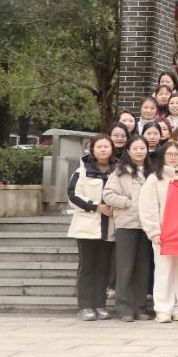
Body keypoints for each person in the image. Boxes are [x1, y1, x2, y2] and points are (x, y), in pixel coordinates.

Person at [138, 141, 178, 323]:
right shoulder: (155, 178)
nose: (173, 157)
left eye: (176, 154)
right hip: (164, 233)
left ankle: (177, 306)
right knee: (164, 271)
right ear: (162, 157)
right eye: (169, 154)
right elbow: (148, 207)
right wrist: (154, 231)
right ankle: (162, 308)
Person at [102, 136, 155, 322]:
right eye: (136, 148)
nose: (139, 151)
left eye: (142, 148)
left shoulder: (152, 171)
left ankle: (140, 307)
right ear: (129, 151)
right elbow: (108, 194)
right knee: (125, 267)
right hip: (126, 224)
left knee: (143, 268)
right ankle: (124, 308)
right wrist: (128, 203)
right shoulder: (120, 171)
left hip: (147, 225)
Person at [68, 134, 117, 321]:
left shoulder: (118, 170)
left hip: (109, 226)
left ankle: (100, 305)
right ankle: (85, 306)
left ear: (112, 149)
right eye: (99, 147)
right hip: (87, 226)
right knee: (87, 266)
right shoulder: (81, 171)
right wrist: (96, 206)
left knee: (103, 267)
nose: (103, 150)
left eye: (106, 146)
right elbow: (73, 195)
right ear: (92, 150)